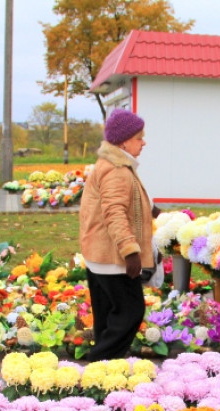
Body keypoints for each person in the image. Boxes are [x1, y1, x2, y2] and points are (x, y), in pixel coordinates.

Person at [78, 109, 156, 361]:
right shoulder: (116, 169)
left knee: (107, 316)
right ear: (123, 141)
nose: (143, 142)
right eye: (138, 138)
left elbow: (121, 200)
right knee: (130, 312)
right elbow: (114, 212)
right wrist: (130, 251)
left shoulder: (112, 164)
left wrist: (151, 210)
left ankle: (104, 372)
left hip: (99, 254)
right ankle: (97, 363)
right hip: (113, 257)